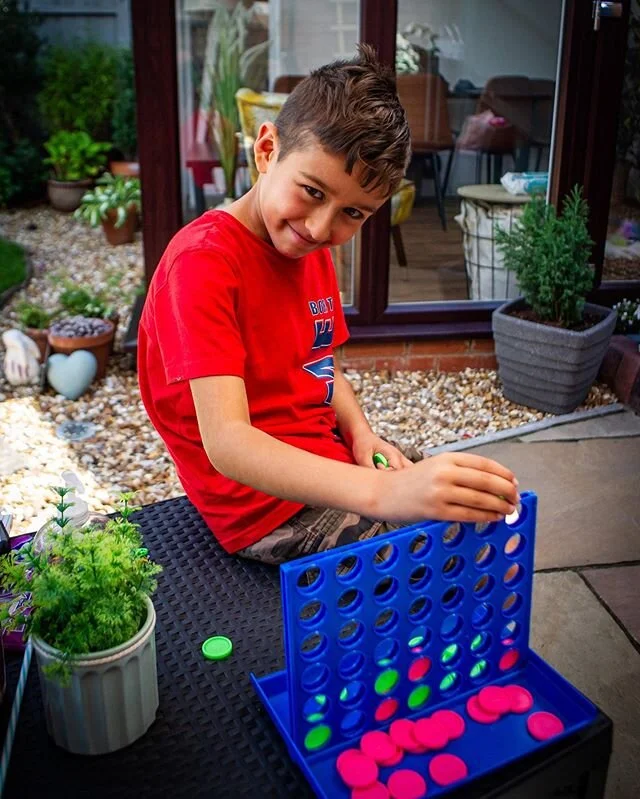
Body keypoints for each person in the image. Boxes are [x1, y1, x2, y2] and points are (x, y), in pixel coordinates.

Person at [138, 45, 519, 565]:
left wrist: (362, 435)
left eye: (354, 214)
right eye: (313, 191)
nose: (322, 228)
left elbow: (323, 366)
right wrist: (383, 494)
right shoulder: (204, 263)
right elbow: (228, 443)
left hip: (327, 459)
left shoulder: (307, 247)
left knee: (479, 515)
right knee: (445, 564)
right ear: (267, 150)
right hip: (264, 506)